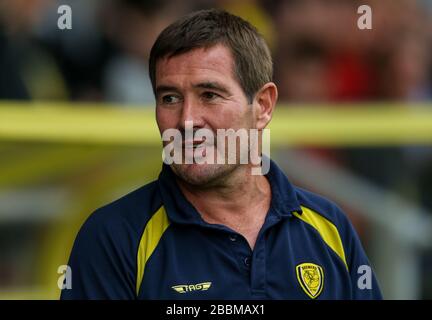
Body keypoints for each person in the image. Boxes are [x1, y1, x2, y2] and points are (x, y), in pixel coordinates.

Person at [61, 9, 382, 300]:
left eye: (209, 95)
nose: (186, 120)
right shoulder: (114, 236)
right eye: (170, 98)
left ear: (263, 106)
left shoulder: (330, 227)